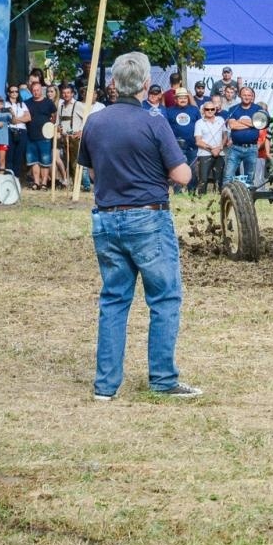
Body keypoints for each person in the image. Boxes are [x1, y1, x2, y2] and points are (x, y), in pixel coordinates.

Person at [79, 50, 200, 400]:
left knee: (114, 299)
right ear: (147, 85)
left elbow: (91, 172)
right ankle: (162, 379)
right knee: (164, 298)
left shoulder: (95, 122)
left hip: (106, 217)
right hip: (148, 217)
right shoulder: (154, 121)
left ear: (114, 84)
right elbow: (181, 174)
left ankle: (105, 387)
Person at [222, 86, 263, 186]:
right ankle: (226, 197)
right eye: (244, 95)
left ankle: (247, 199)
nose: (247, 97)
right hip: (235, 148)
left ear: (252, 96)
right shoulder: (233, 109)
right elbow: (232, 125)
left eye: (249, 95)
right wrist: (251, 123)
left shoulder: (258, 109)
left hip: (251, 148)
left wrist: (240, 121)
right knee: (228, 176)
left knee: (250, 177)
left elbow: (258, 124)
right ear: (240, 95)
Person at [164, 89, 200, 193]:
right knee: (178, 168)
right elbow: (166, 128)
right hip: (177, 146)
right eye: (180, 97)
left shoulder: (194, 110)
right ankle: (178, 192)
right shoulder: (169, 111)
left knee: (193, 170)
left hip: (192, 145)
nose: (183, 99)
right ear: (175, 99)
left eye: (185, 97)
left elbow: (200, 124)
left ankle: (192, 192)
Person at [24, 80, 56, 191]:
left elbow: (54, 116)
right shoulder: (27, 103)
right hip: (30, 136)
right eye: (34, 90)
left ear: (41, 90)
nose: (36, 92)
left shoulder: (48, 103)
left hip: (45, 137)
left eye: (37, 90)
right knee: (33, 160)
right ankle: (36, 182)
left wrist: (50, 128)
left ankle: (44, 183)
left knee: (45, 161)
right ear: (31, 91)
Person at [192, 100, 226, 193]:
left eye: (212, 109)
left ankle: (218, 198)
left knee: (219, 179)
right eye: (207, 109)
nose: (210, 111)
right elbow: (198, 141)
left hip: (220, 153)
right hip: (204, 154)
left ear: (215, 109)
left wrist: (220, 147)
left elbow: (225, 135)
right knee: (203, 179)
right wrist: (212, 149)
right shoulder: (199, 123)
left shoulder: (221, 120)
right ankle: (201, 198)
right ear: (203, 110)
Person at [7, 88, 29, 179]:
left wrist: (17, 119)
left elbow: (28, 118)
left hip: (22, 130)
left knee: (19, 155)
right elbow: (9, 119)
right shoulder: (5, 104)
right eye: (12, 91)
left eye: (16, 91)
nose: (14, 93)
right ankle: (9, 177)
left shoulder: (22, 104)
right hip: (10, 130)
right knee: (9, 155)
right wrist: (20, 118)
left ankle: (16, 178)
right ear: (8, 93)